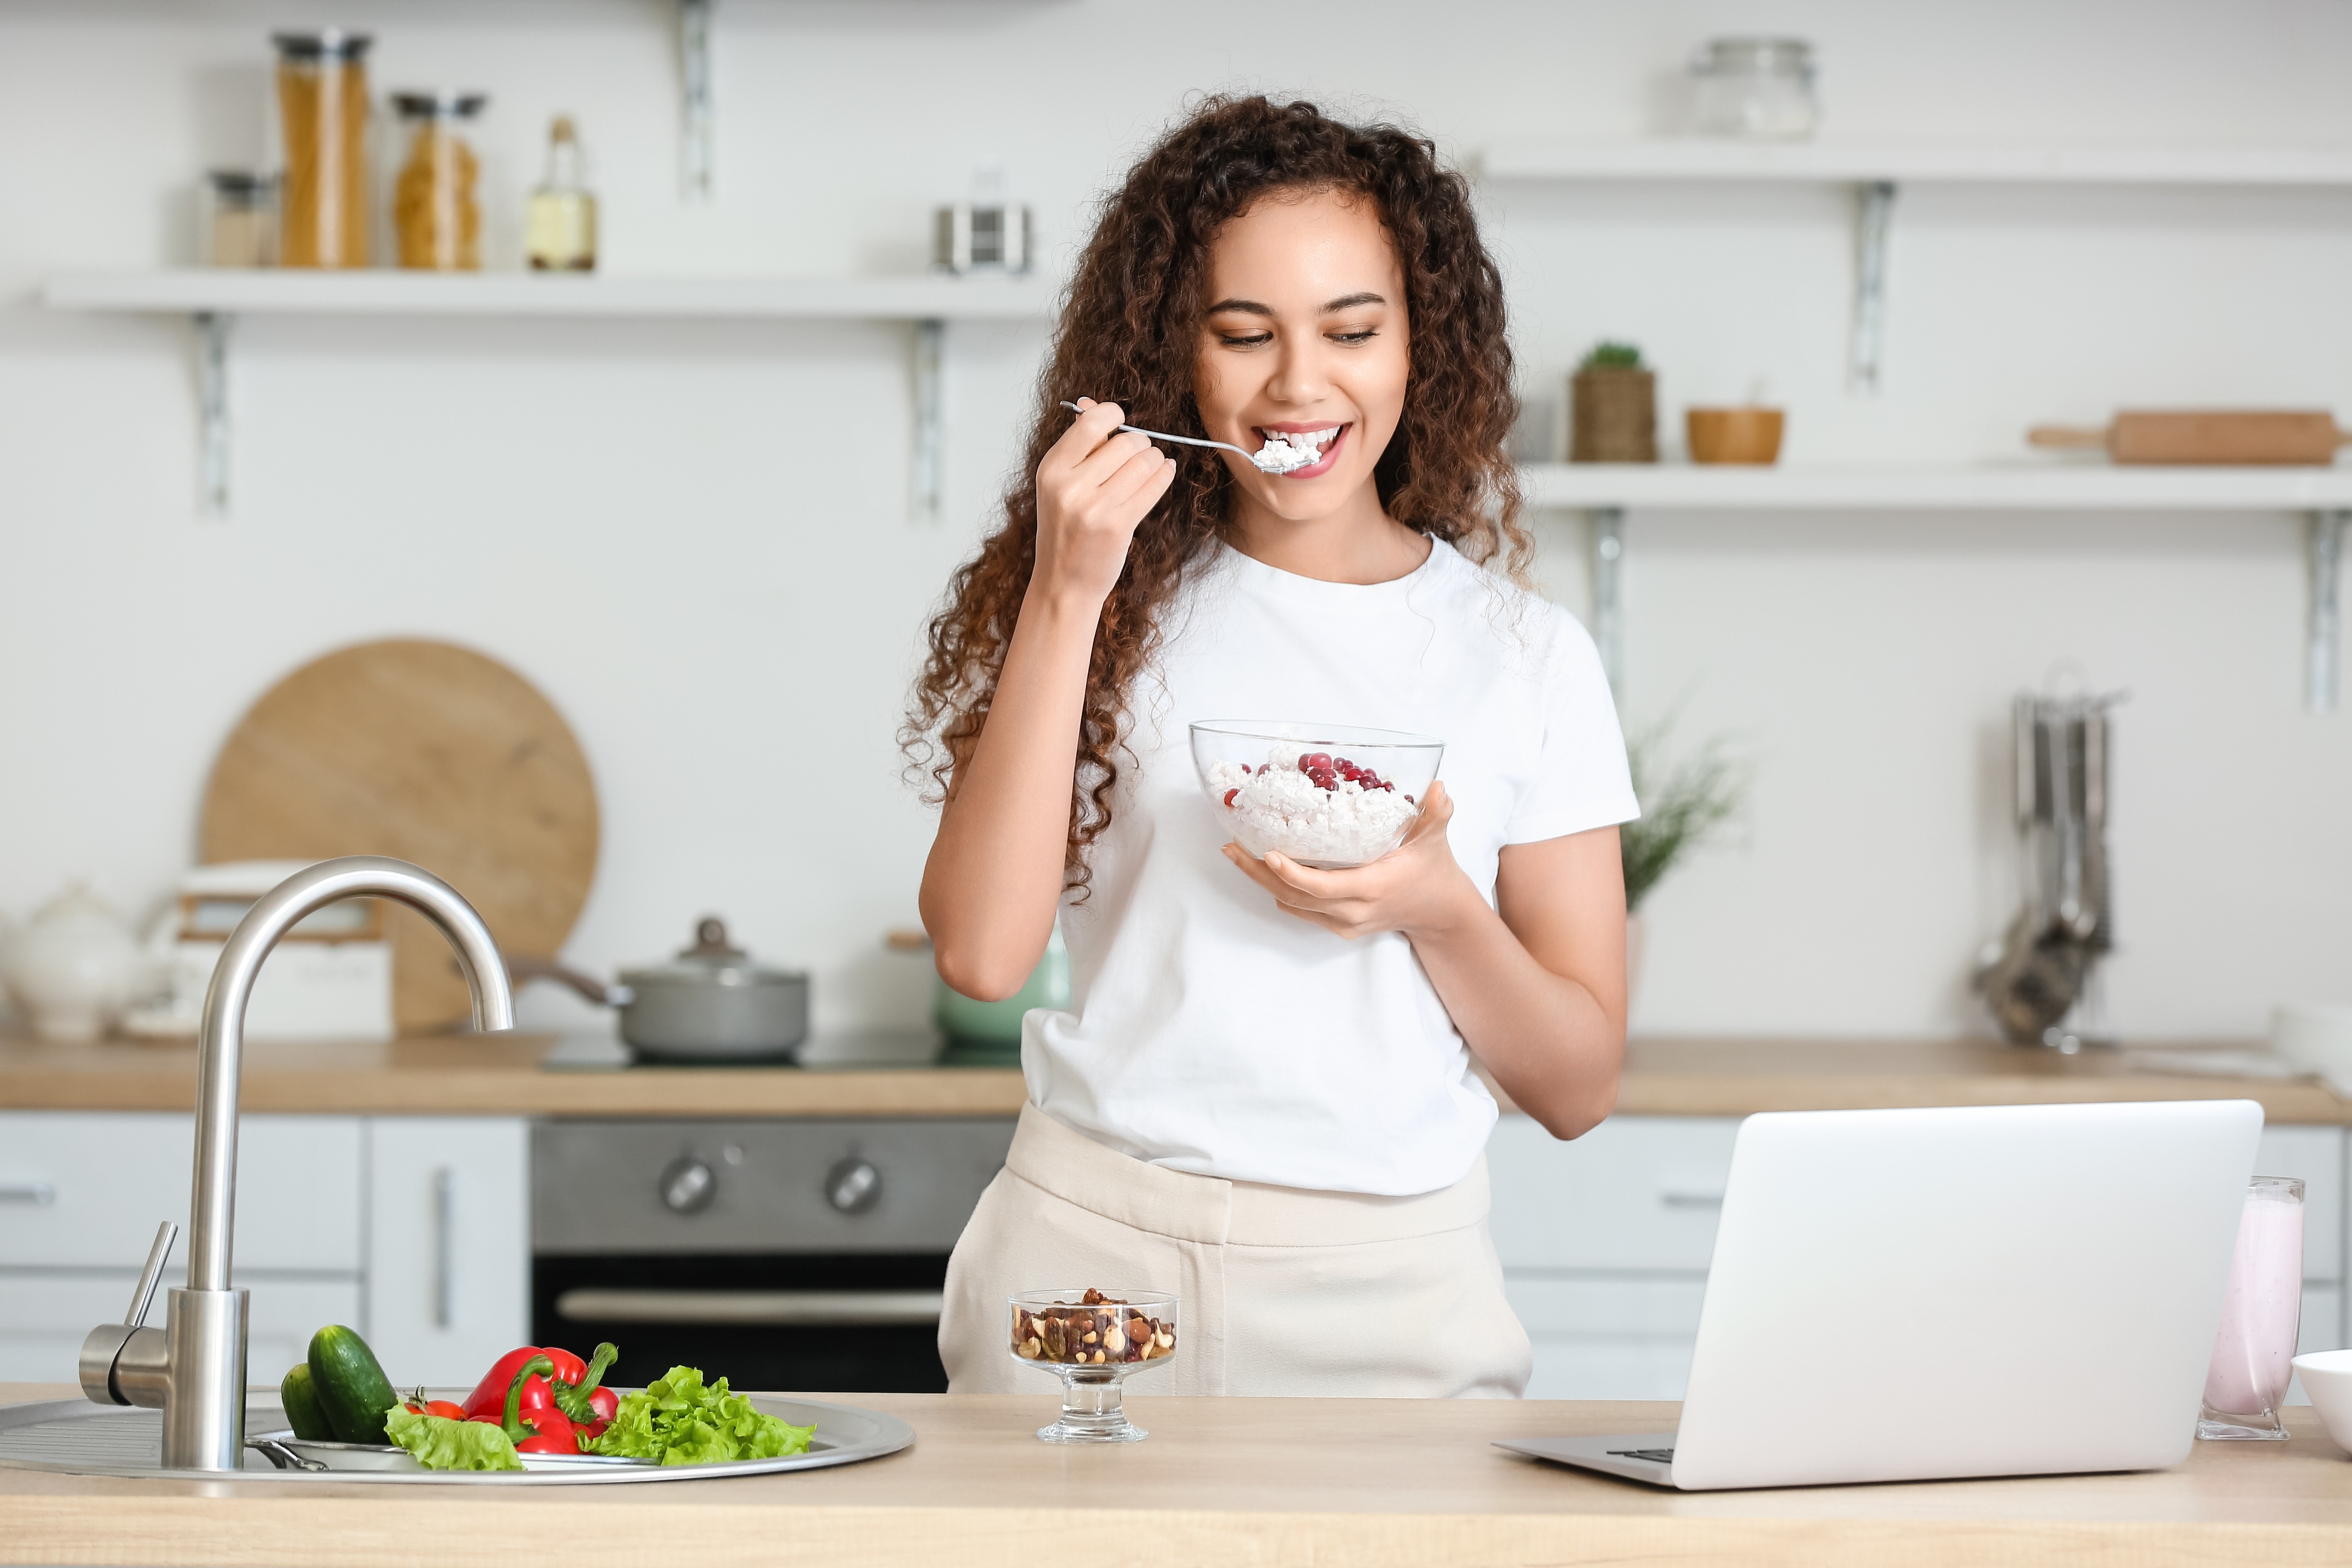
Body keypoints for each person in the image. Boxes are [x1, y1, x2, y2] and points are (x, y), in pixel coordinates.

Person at [910, 95, 1637, 1398]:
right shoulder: (1108, 599)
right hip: (1090, 1267)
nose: (1300, 385)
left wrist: (1438, 909)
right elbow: (978, 952)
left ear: (1422, 344)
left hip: (1399, 1291)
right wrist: (1065, 590)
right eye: (1244, 335)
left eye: (1352, 330)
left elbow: (1578, 1084)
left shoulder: (1527, 656)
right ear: (1174, 359)